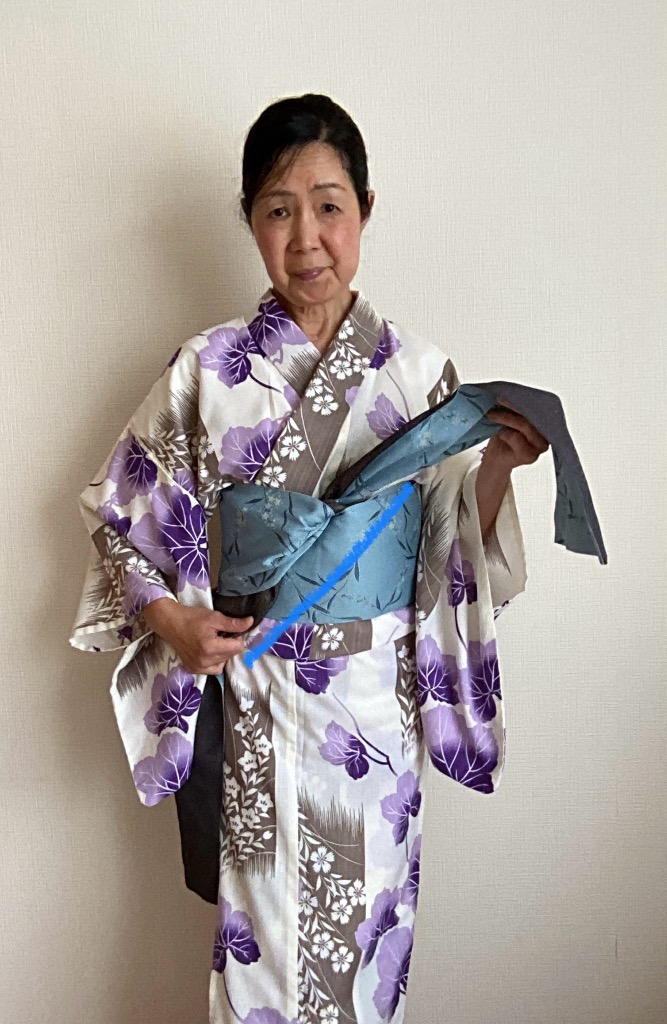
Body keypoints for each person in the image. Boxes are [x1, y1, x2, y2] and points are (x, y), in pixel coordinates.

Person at [70, 94, 550, 1024]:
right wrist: (171, 620)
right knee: (260, 962)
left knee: (367, 957)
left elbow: (453, 547)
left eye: (328, 206)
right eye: (278, 210)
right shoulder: (206, 371)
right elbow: (119, 515)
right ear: (249, 220)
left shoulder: (418, 375)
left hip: (375, 713)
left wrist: (493, 467)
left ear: (365, 208)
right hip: (256, 701)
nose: (306, 238)